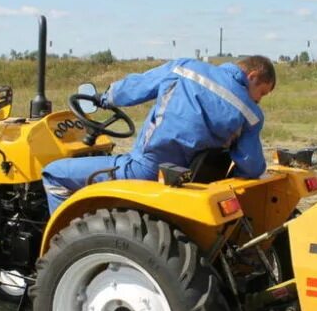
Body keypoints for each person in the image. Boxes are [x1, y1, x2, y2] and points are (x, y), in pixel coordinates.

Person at [42, 55, 276, 214]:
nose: (258, 99)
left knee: (54, 174)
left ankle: (63, 252)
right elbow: (252, 166)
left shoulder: (186, 68)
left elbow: (135, 87)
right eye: (262, 92)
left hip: (146, 170)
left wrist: (103, 98)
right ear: (252, 76)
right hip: (191, 179)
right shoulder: (252, 114)